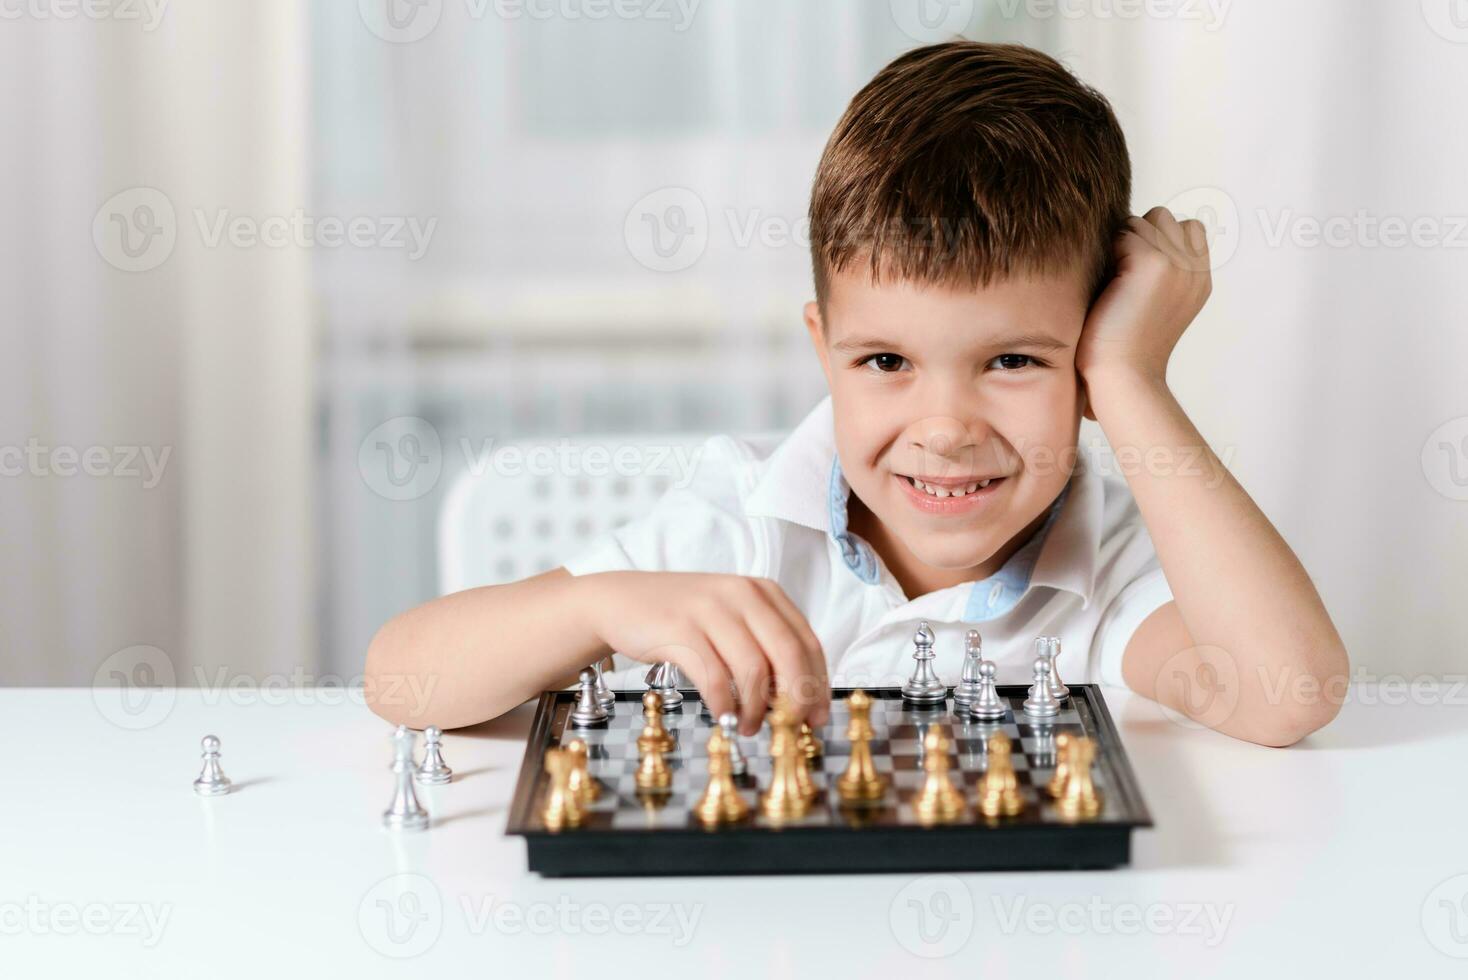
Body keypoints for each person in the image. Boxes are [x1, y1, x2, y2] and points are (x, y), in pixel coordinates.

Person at [366, 41, 1347, 746]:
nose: (947, 428)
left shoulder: (1112, 561)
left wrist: (1134, 379)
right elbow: (400, 675)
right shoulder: (744, 521)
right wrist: (606, 606)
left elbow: (1286, 693)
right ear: (822, 348)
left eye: (1013, 361)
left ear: (1086, 359)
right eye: (885, 362)